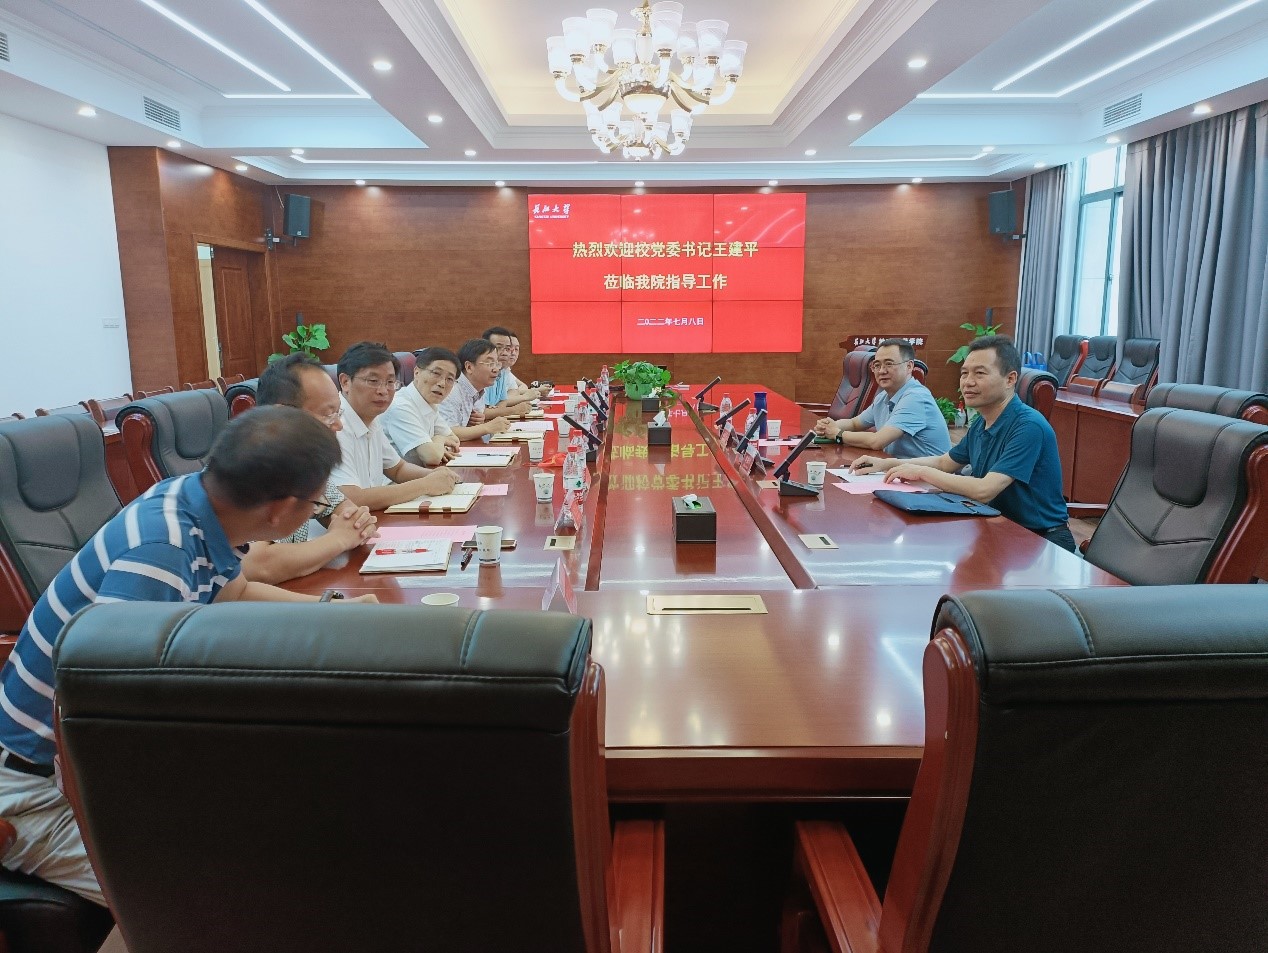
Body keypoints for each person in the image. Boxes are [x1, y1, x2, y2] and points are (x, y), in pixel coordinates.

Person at [0, 407, 377, 906]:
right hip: (41, 793)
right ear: (280, 510)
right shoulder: (161, 551)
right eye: (316, 503)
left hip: (86, 764)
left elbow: (234, 593)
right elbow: (106, 721)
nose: (316, 513)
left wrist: (335, 614)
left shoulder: (194, 502)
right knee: (231, 900)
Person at [851, 335, 1075, 552]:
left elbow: (985, 489)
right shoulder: (982, 422)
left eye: (979, 373)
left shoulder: (1028, 426)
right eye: (964, 373)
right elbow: (944, 462)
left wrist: (921, 472)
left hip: (1040, 540)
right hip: (996, 525)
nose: (968, 382)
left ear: (1010, 379)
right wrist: (886, 465)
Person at [243, 352, 379, 584]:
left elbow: (348, 514)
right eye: (328, 414)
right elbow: (257, 566)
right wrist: (337, 539)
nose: (338, 425)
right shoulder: (250, 467)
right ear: (283, 415)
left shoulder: (303, 465)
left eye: (338, 412)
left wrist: (355, 525)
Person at [332, 341, 461, 510]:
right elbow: (351, 498)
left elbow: (398, 469)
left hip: (371, 516)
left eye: (390, 382)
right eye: (373, 381)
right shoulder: (335, 425)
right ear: (345, 382)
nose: (383, 391)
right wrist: (426, 485)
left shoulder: (370, 418)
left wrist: (435, 475)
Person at [813, 339, 950, 458]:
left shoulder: (915, 398)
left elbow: (877, 441)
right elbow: (854, 423)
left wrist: (837, 434)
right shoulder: (884, 396)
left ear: (909, 366)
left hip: (929, 477)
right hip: (900, 470)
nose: (881, 371)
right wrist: (829, 426)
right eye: (877, 365)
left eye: (889, 364)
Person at [381, 346, 463, 466]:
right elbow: (432, 457)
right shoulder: (400, 406)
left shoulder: (428, 402)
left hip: (421, 473)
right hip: (398, 478)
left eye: (450, 379)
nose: (442, 384)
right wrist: (439, 439)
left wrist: (436, 444)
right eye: (436, 373)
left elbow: (454, 440)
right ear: (417, 372)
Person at [437, 338, 513, 441]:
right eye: (490, 363)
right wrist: (486, 427)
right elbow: (447, 433)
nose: (496, 369)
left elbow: (472, 425)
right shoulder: (452, 390)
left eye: (496, 363)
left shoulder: (479, 390)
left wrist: (477, 424)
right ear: (469, 367)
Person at [479, 327, 538, 419]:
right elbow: (481, 413)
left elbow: (503, 402)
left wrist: (497, 410)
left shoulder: (502, 371)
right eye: (498, 348)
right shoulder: (482, 372)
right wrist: (514, 409)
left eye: (507, 349)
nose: (505, 353)